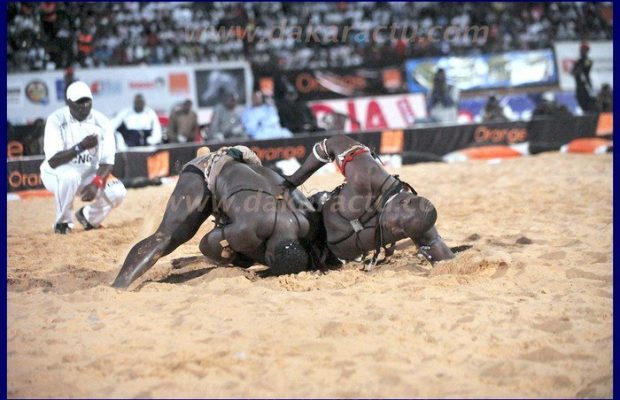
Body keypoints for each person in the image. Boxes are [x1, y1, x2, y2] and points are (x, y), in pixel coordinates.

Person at [112, 145, 325, 289]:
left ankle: (208, 157)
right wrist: (230, 242)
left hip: (248, 166)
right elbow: (206, 245)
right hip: (208, 169)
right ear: (269, 257)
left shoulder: (310, 222)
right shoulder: (247, 230)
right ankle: (119, 285)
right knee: (167, 237)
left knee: (241, 244)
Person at [284, 134, 456, 270]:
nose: (396, 231)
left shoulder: (417, 222)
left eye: (403, 231)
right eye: (399, 224)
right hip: (312, 220)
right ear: (405, 202)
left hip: (332, 258)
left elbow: (447, 265)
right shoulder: (364, 175)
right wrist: (294, 180)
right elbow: (331, 144)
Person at [39, 81, 127, 234]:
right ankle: (63, 223)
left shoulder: (102, 122)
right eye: (79, 102)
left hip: (88, 173)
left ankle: (88, 217)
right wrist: (81, 147)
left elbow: (107, 162)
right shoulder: (56, 120)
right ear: (69, 102)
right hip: (56, 173)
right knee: (70, 176)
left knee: (118, 191)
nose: (84, 105)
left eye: (87, 101)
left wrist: (96, 183)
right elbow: (53, 161)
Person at [572, 41, 595, 113]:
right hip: (579, 85)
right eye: (582, 49)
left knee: (587, 101)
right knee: (581, 100)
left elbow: (584, 70)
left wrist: (579, 68)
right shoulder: (578, 61)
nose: (582, 51)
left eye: (584, 50)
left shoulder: (588, 60)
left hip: (585, 85)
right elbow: (574, 72)